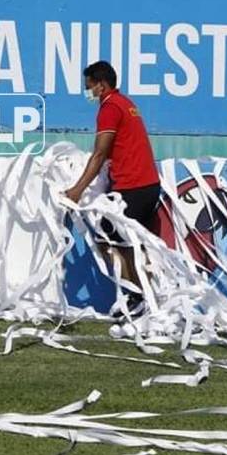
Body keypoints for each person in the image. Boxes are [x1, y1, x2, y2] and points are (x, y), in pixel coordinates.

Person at [65, 61, 160, 313]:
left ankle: (138, 297)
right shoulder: (126, 104)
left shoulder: (109, 108)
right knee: (131, 244)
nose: (88, 93)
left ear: (101, 85)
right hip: (147, 185)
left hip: (133, 187)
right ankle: (144, 297)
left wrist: (76, 190)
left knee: (106, 239)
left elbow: (99, 154)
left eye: (89, 87)